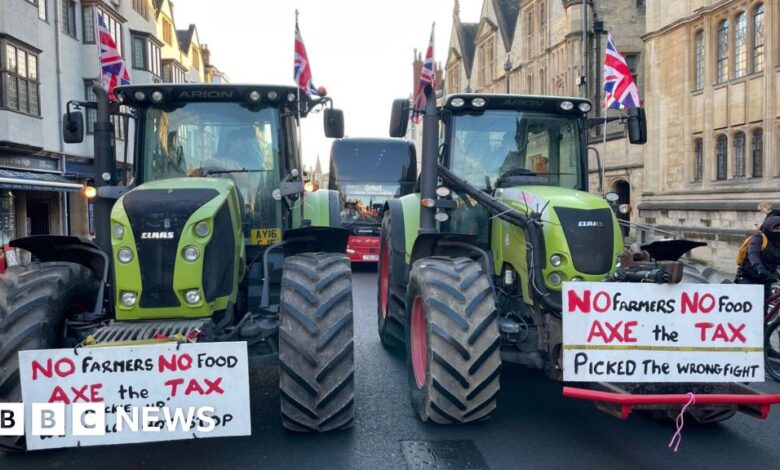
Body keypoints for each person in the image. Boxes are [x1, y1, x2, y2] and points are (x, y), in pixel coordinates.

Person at [736, 215, 780, 300]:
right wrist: (758, 267)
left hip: (766, 278)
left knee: (764, 305)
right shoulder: (759, 238)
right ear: (769, 228)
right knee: (744, 301)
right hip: (749, 275)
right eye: (776, 229)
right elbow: (753, 254)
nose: (779, 231)